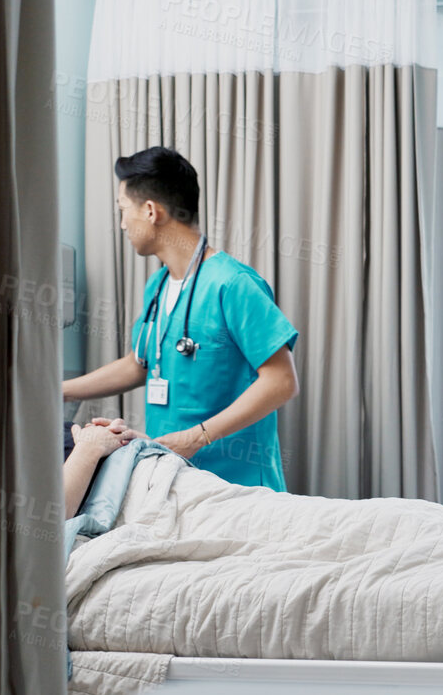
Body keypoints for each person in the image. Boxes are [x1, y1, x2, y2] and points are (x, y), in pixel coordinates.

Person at [62, 147, 300, 490]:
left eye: (123, 210)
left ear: (150, 211)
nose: (122, 223)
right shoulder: (157, 286)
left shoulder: (232, 284)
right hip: (175, 479)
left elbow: (281, 381)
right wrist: (60, 392)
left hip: (237, 485)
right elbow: (138, 364)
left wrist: (195, 438)